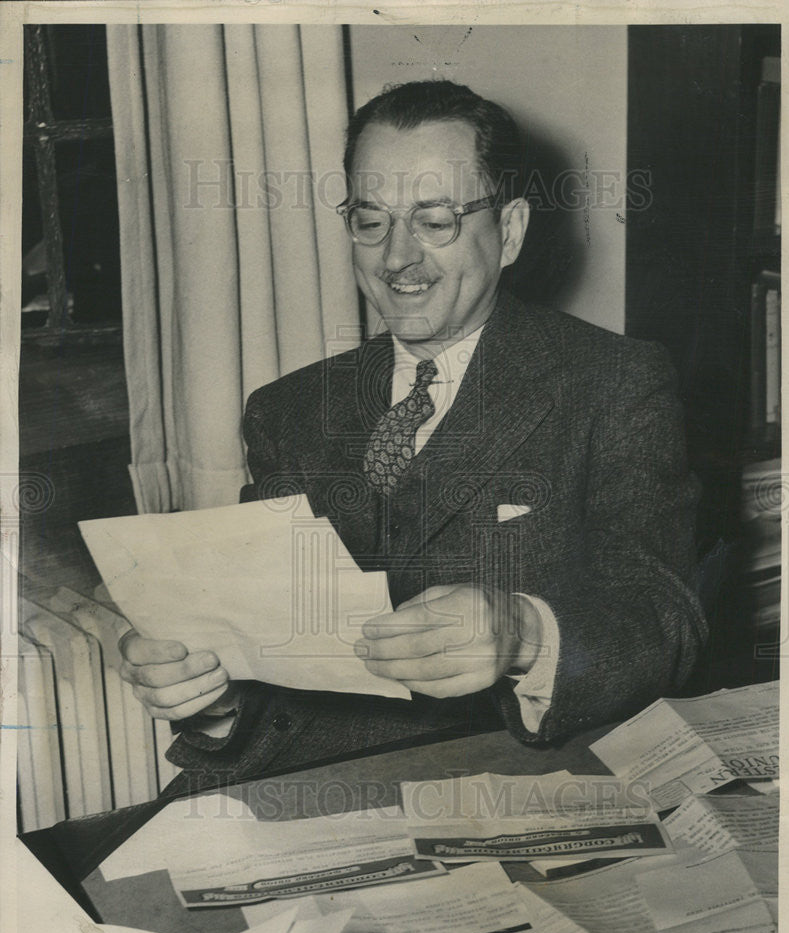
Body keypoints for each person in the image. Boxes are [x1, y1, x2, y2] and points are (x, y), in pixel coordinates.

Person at [119, 81, 707, 791]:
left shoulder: (614, 382)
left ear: (511, 231)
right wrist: (209, 696)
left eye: (435, 221)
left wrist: (524, 633)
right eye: (372, 221)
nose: (398, 259)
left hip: (503, 781)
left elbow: (666, 621)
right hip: (283, 784)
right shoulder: (288, 410)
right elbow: (267, 653)